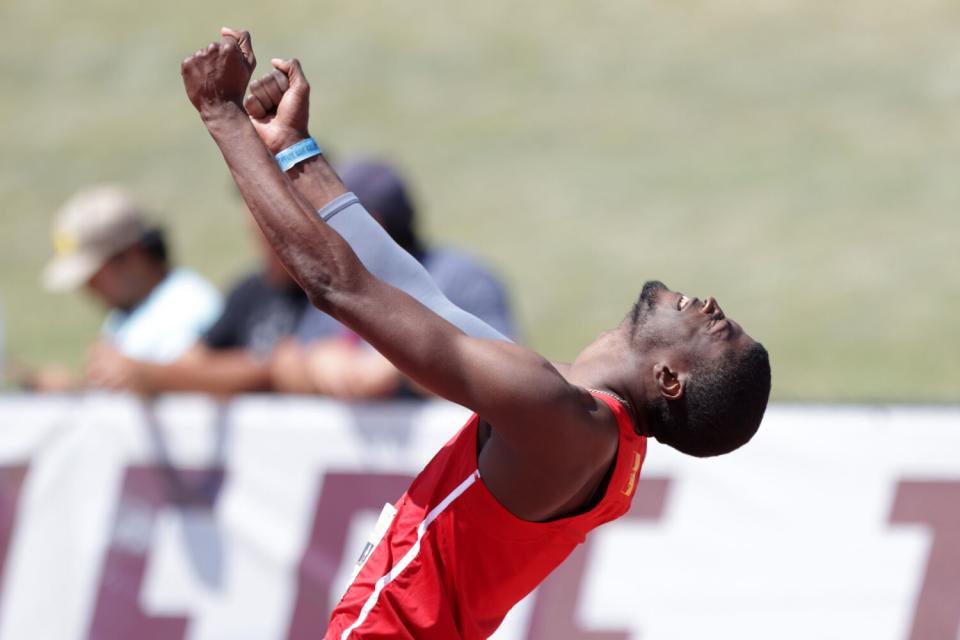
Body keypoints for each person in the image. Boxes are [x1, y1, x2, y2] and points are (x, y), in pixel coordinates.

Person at [181, 29, 771, 639]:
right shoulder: (579, 420)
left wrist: (222, 116)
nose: (712, 305)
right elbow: (417, 292)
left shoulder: (558, 417)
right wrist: (294, 152)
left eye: (719, 330)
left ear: (670, 379)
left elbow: (337, 287)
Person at [273, 157, 517, 399]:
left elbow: (509, 374)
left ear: (371, 224)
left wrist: (406, 363)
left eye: (329, 219)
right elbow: (288, 360)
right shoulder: (336, 278)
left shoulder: (462, 278)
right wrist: (315, 361)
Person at [85, 220, 309, 395]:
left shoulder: (188, 300)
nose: (88, 288)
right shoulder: (251, 290)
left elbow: (276, 371)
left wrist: (157, 377)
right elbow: (200, 359)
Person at [34, 185, 222, 390]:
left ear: (130, 256)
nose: (88, 288)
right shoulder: (123, 316)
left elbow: (202, 377)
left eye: (94, 275)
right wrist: (75, 388)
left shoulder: (190, 304)